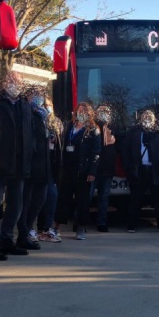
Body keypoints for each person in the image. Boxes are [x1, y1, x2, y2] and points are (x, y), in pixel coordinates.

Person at [0, 71, 34, 257]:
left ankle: (7, 239)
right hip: (1, 162)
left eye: (17, 81)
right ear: (3, 83)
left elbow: (30, 133)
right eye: (10, 80)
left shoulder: (25, 105)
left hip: (20, 163)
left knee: (16, 204)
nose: (14, 84)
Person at [122, 110, 159, 234]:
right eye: (145, 116)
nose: (147, 118)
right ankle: (131, 225)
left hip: (156, 171)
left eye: (149, 117)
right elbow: (125, 150)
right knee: (135, 199)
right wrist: (129, 167)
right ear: (140, 119)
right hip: (138, 171)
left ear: (154, 119)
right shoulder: (133, 132)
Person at [54, 102, 101, 240]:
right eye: (80, 111)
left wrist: (92, 171)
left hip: (83, 170)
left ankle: (80, 227)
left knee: (82, 201)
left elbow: (96, 152)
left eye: (85, 111)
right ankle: (56, 226)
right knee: (63, 198)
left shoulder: (93, 130)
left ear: (89, 114)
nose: (82, 113)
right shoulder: (70, 126)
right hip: (67, 169)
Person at [18, 87, 57, 245]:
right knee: (26, 201)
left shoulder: (44, 116)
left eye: (41, 95)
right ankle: (24, 233)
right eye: (35, 95)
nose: (38, 98)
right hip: (31, 164)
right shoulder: (26, 113)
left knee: (41, 199)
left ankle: (28, 228)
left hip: (44, 165)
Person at [37, 95, 64, 242]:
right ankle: (39, 228)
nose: (46, 108)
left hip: (52, 167)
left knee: (52, 197)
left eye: (48, 105)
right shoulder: (36, 120)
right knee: (40, 198)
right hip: (39, 165)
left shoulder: (57, 122)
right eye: (44, 105)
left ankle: (48, 228)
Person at [93, 104, 117, 232]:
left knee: (104, 198)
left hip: (107, 170)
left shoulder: (113, 128)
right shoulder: (92, 127)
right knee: (86, 196)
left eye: (106, 111)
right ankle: (80, 223)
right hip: (93, 170)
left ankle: (102, 223)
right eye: (101, 111)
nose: (103, 113)